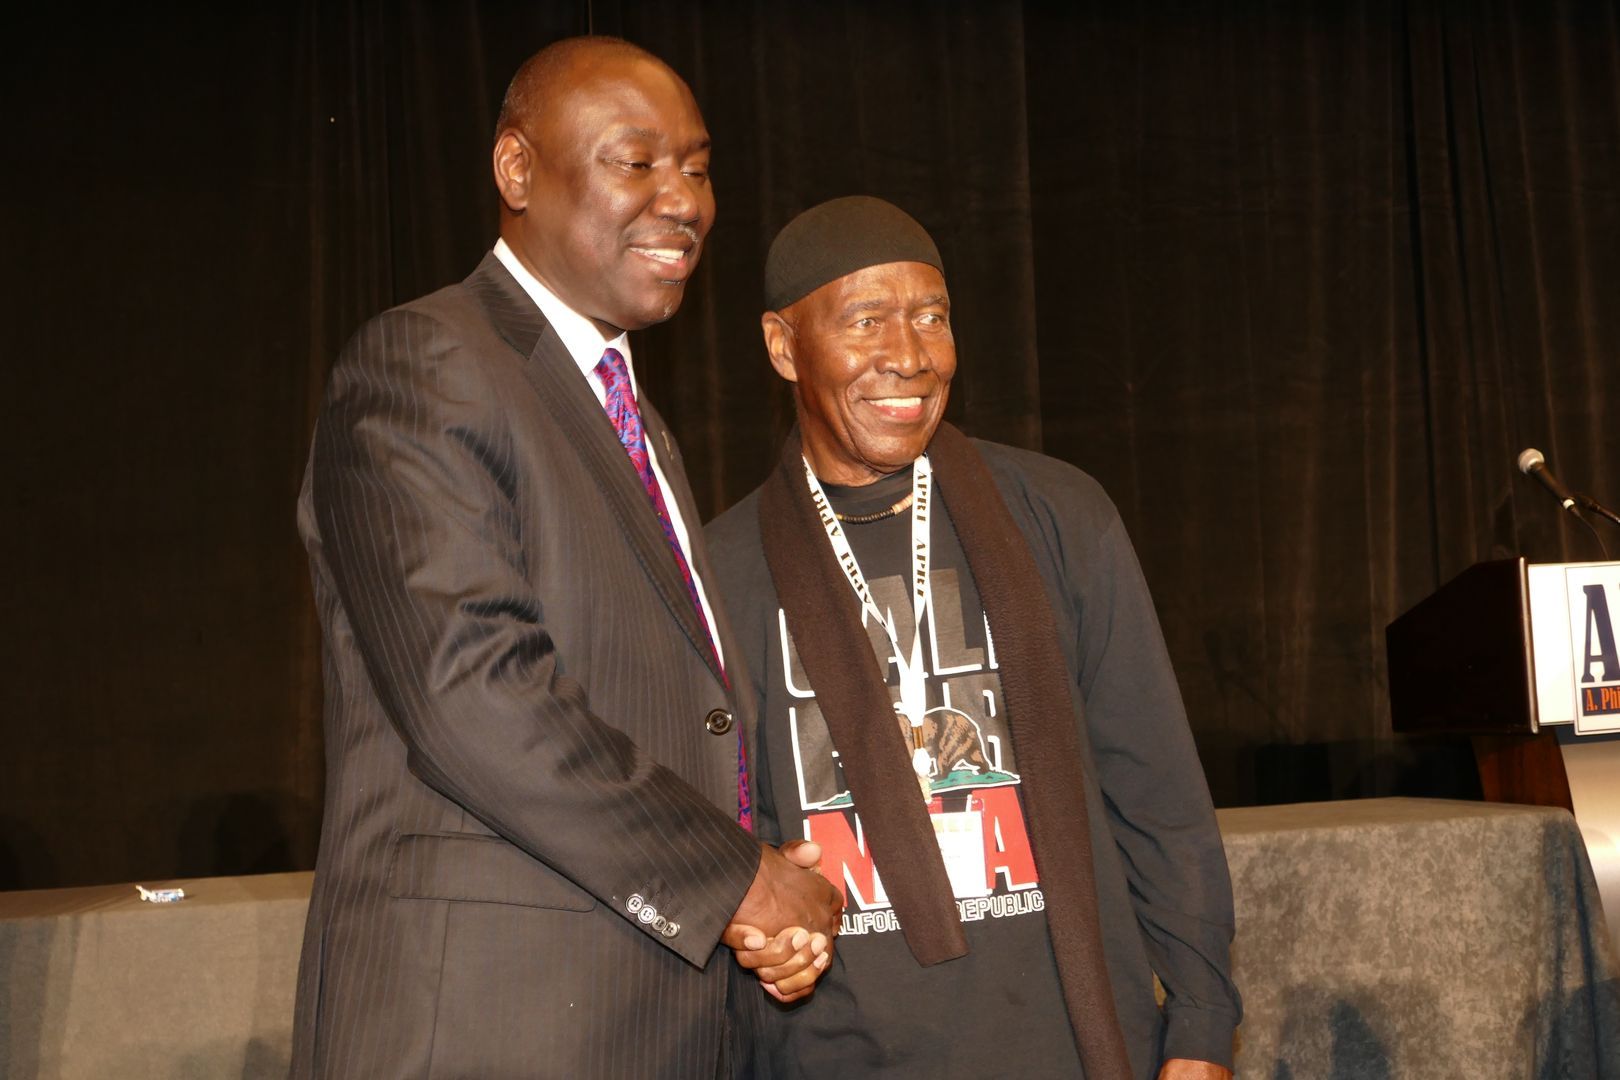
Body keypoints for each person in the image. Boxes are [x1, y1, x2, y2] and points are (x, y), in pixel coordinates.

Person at [290, 37, 840, 1079]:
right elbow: (476, 695)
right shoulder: (425, 363)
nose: (684, 199)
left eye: (698, 165)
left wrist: (759, 898)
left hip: (648, 1022)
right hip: (491, 1028)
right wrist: (736, 882)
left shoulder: (631, 416)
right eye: (637, 162)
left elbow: (684, 707)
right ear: (516, 170)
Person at [706, 196, 1242, 1079]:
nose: (909, 356)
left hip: (1074, 1042)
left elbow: (1158, 793)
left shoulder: (1059, 515)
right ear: (782, 345)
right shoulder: (721, 569)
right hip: (841, 1053)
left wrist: (1200, 1024)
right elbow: (718, 835)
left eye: (931, 317)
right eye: (867, 320)